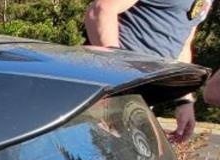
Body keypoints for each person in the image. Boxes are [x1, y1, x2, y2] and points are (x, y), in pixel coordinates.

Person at [85, 0, 214, 142]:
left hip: (140, 95)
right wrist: (118, 79)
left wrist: (184, 99)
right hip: (105, 90)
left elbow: (182, 43)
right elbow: (101, 10)